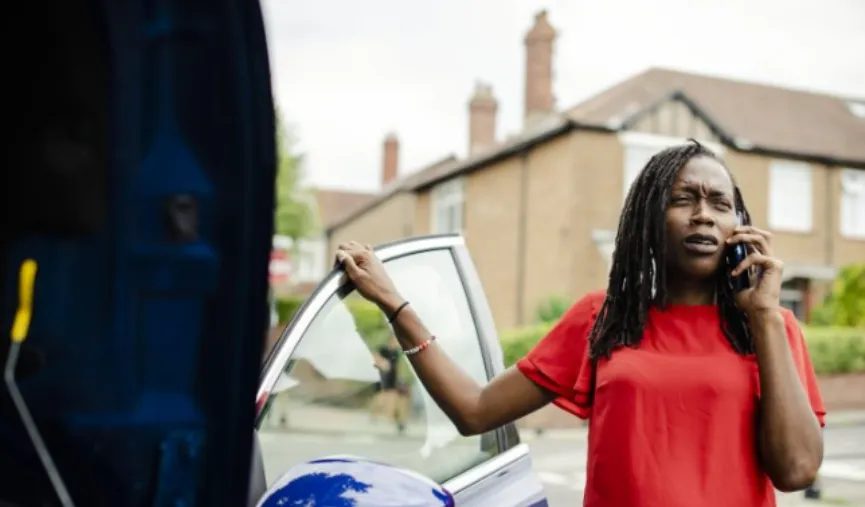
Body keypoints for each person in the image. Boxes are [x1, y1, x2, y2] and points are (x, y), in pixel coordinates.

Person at [334, 140, 825, 507]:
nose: (703, 216)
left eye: (720, 203)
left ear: (739, 226)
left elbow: (798, 469)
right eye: (684, 200)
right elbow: (476, 410)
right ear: (649, 220)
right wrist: (395, 305)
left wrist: (761, 315)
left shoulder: (770, 329)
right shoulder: (604, 319)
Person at [370, 335, 409, 434]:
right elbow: (375, 359)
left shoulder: (396, 352)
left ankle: (393, 419)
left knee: (392, 398)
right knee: (381, 398)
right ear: (391, 340)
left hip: (392, 378)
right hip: (382, 377)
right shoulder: (383, 349)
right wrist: (383, 363)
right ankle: (376, 415)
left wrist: (400, 377)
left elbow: (397, 366)